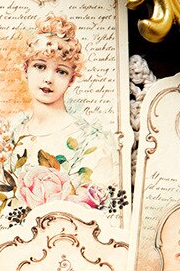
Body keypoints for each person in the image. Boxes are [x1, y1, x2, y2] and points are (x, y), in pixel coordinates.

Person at [9, 14, 112, 181]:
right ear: (26, 69)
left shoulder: (89, 141)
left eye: (61, 71)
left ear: (71, 79)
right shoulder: (12, 137)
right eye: (40, 66)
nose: (49, 79)